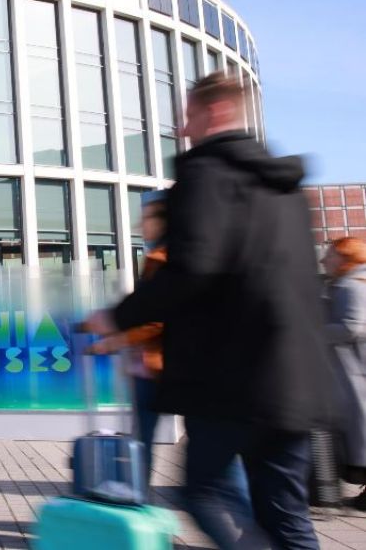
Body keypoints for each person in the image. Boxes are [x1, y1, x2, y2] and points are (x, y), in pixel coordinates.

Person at [85, 72, 330, 549]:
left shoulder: (204, 175)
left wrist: (116, 317)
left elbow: (194, 267)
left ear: (214, 112)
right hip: (294, 379)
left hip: (230, 377)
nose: (183, 129)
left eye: (189, 115)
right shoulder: (287, 190)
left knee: (205, 493)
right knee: (287, 515)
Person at [86, 191, 166, 480]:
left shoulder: (163, 258)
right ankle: (135, 495)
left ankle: (135, 497)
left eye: (146, 219)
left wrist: (116, 339)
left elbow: (157, 317)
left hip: (158, 367)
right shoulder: (156, 257)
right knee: (141, 436)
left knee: (144, 438)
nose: (139, 226)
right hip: (151, 366)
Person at [320, 237, 366, 507]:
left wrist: (314, 333)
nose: (325, 260)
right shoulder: (347, 283)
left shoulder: (352, 285)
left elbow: (352, 326)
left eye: (330, 255)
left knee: (360, 432)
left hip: (355, 372)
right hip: (351, 371)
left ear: (346, 258)